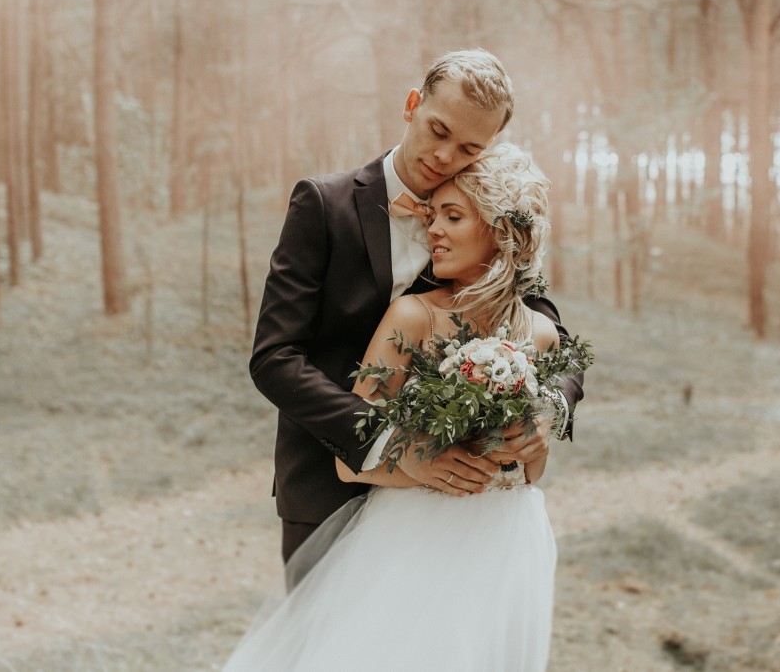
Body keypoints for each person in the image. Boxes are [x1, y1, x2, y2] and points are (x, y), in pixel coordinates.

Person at [225, 143, 566, 671]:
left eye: (453, 217)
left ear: (501, 232)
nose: (434, 230)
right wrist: (422, 466)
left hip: (507, 543)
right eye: (433, 216)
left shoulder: (540, 333)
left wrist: (537, 437)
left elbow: (528, 471)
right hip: (410, 539)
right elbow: (348, 458)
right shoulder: (412, 317)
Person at [248, 49, 583, 565]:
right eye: (438, 130)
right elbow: (275, 357)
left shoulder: (484, 218)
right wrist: (395, 445)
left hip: (449, 506)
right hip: (325, 483)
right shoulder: (323, 204)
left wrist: (547, 409)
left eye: (469, 147)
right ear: (412, 105)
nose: (445, 156)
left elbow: (551, 331)